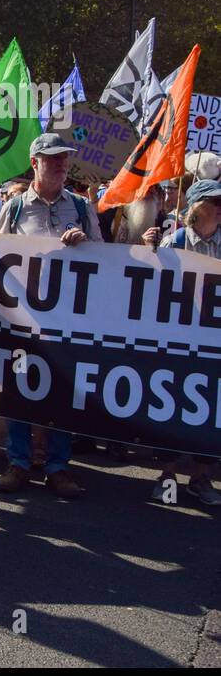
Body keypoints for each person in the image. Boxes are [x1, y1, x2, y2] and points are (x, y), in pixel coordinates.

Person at [0, 133, 100, 499]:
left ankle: (58, 467)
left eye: (64, 158)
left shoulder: (81, 206)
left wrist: (86, 243)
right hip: (23, 318)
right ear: (35, 161)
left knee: (63, 391)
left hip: (68, 321)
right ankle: (19, 462)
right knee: (21, 387)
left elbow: (104, 259)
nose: (60, 164)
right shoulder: (14, 207)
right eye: (52, 158)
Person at [145, 178, 221, 505]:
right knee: (172, 406)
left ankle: (201, 476)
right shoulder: (173, 242)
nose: (220, 207)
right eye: (214, 201)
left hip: (215, 343)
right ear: (197, 206)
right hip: (177, 342)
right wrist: (149, 252)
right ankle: (168, 474)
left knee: (212, 408)